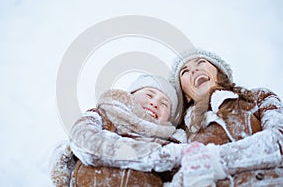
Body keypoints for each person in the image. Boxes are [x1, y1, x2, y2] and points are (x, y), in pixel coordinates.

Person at [167, 49, 283, 186]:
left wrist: (215, 161)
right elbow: (168, 170)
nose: (194, 70)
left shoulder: (259, 97)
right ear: (184, 94)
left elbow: (279, 138)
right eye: (184, 71)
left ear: (220, 72)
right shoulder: (181, 133)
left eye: (201, 62)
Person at [50, 74, 189, 186]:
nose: (154, 103)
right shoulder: (103, 115)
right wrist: (157, 156)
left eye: (164, 103)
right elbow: (84, 140)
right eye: (149, 95)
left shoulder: (171, 143)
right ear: (131, 95)